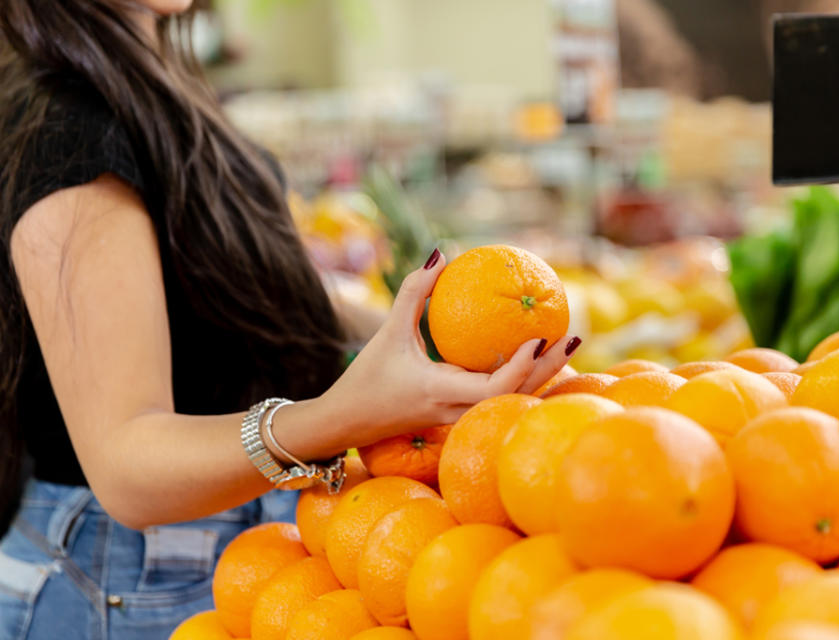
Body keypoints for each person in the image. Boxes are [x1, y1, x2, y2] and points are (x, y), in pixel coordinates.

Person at [0, 2, 578, 638]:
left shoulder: (140, 80)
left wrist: (428, 328)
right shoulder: (69, 127)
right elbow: (127, 469)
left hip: (227, 553)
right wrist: (346, 414)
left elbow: (222, 294)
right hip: (125, 581)